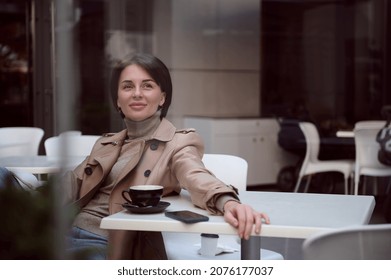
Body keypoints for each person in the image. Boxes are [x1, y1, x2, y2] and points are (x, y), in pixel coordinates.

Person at [62, 53, 270, 259]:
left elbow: (196, 175)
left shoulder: (177, 143)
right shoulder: (106, 143)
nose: (136, 93)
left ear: (162, 97)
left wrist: (229, 202)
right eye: (127, 86)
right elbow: (70, 184)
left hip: (104, 242)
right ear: (118, 100)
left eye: (147, 85)